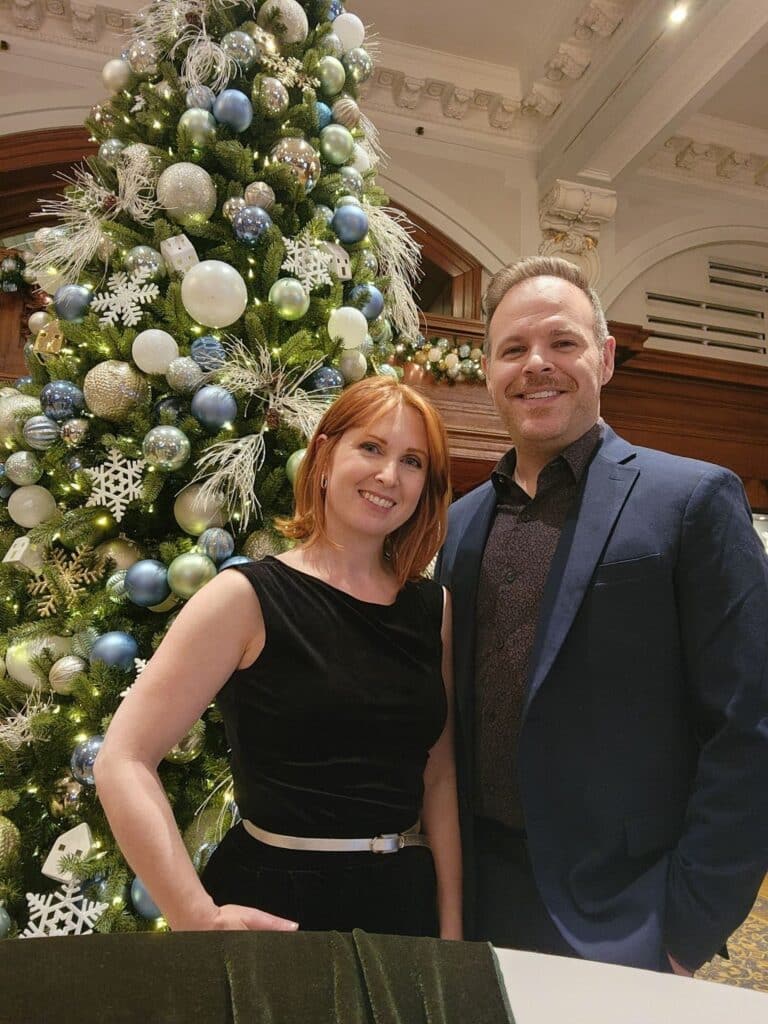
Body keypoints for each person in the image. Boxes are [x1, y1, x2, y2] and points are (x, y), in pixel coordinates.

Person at [435, 255, 768, 973]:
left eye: (562, 343)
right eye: (513, 349)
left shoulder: (693, 499)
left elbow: (751, 724)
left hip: (629, 916)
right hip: (478, 899)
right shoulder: (461, 523)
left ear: (605, 357)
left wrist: (688, 926)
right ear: (487, 369)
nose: (537, 365)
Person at [95, 375, 462, 940]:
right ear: (323, 455)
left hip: (402, 907)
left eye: (412, 461)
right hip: (275, 906)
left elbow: (438, 779)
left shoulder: (431, 608)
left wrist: (452, 929)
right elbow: (122, 757)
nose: (390, 475)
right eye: (371, 447)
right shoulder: (243, 598)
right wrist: (195, 913)